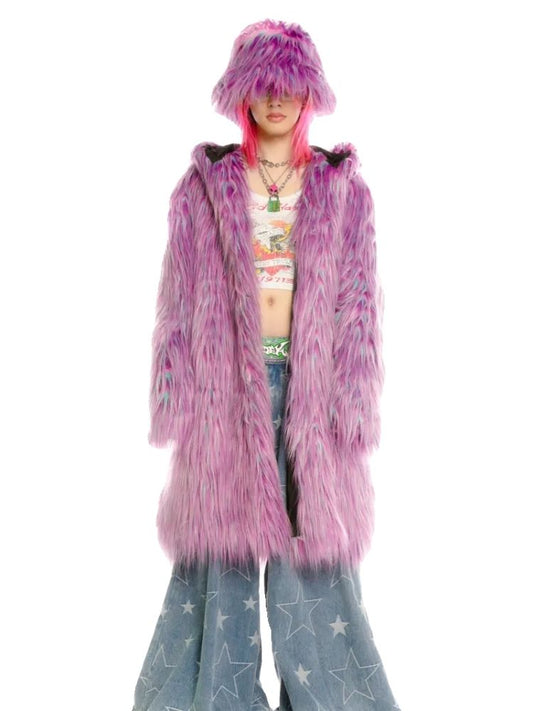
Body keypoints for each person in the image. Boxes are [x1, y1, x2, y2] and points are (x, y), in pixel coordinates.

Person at [132, 18, 401, 711]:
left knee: (315, 563)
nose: (276, 99)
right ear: (242, 93)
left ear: (309, 92)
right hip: (226, 391)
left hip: (312, 394)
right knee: (216, 560)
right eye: (263, 85)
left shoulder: (342, 188)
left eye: (289, 85)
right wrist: (174, 394)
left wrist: (354, 399)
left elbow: (360, 304)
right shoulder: (204, 187)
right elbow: (177, 297)